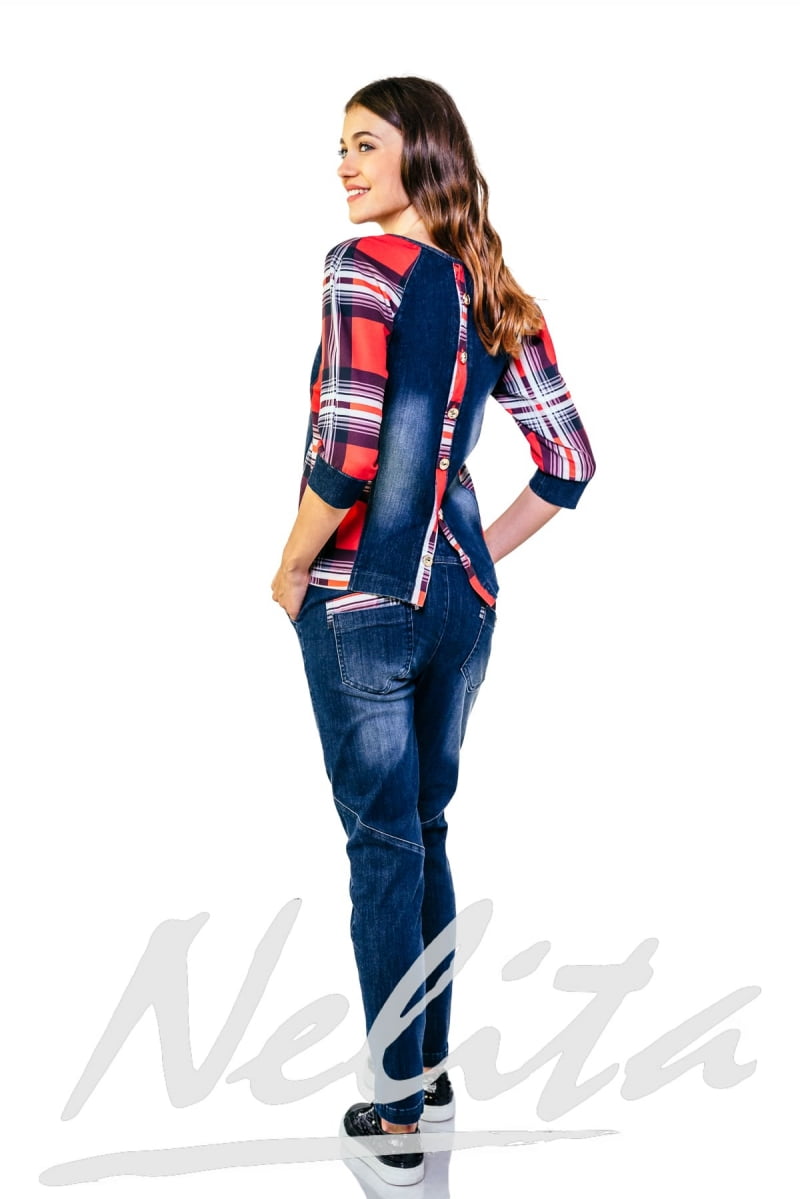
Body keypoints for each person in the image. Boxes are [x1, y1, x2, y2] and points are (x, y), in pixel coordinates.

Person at [271, 75, 596, 1186]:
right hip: (458, 604)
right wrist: (474, 557)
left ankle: (398, 1113)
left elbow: (348, 447)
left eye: (366, 144)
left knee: (382, 847)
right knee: (425, 828)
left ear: (423, 153)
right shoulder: (492, 289)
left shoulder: (359, 268)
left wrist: (291, 563)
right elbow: (569, 460)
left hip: (362, 597)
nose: (344, 165)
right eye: (341, 147)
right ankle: (432, 1072)